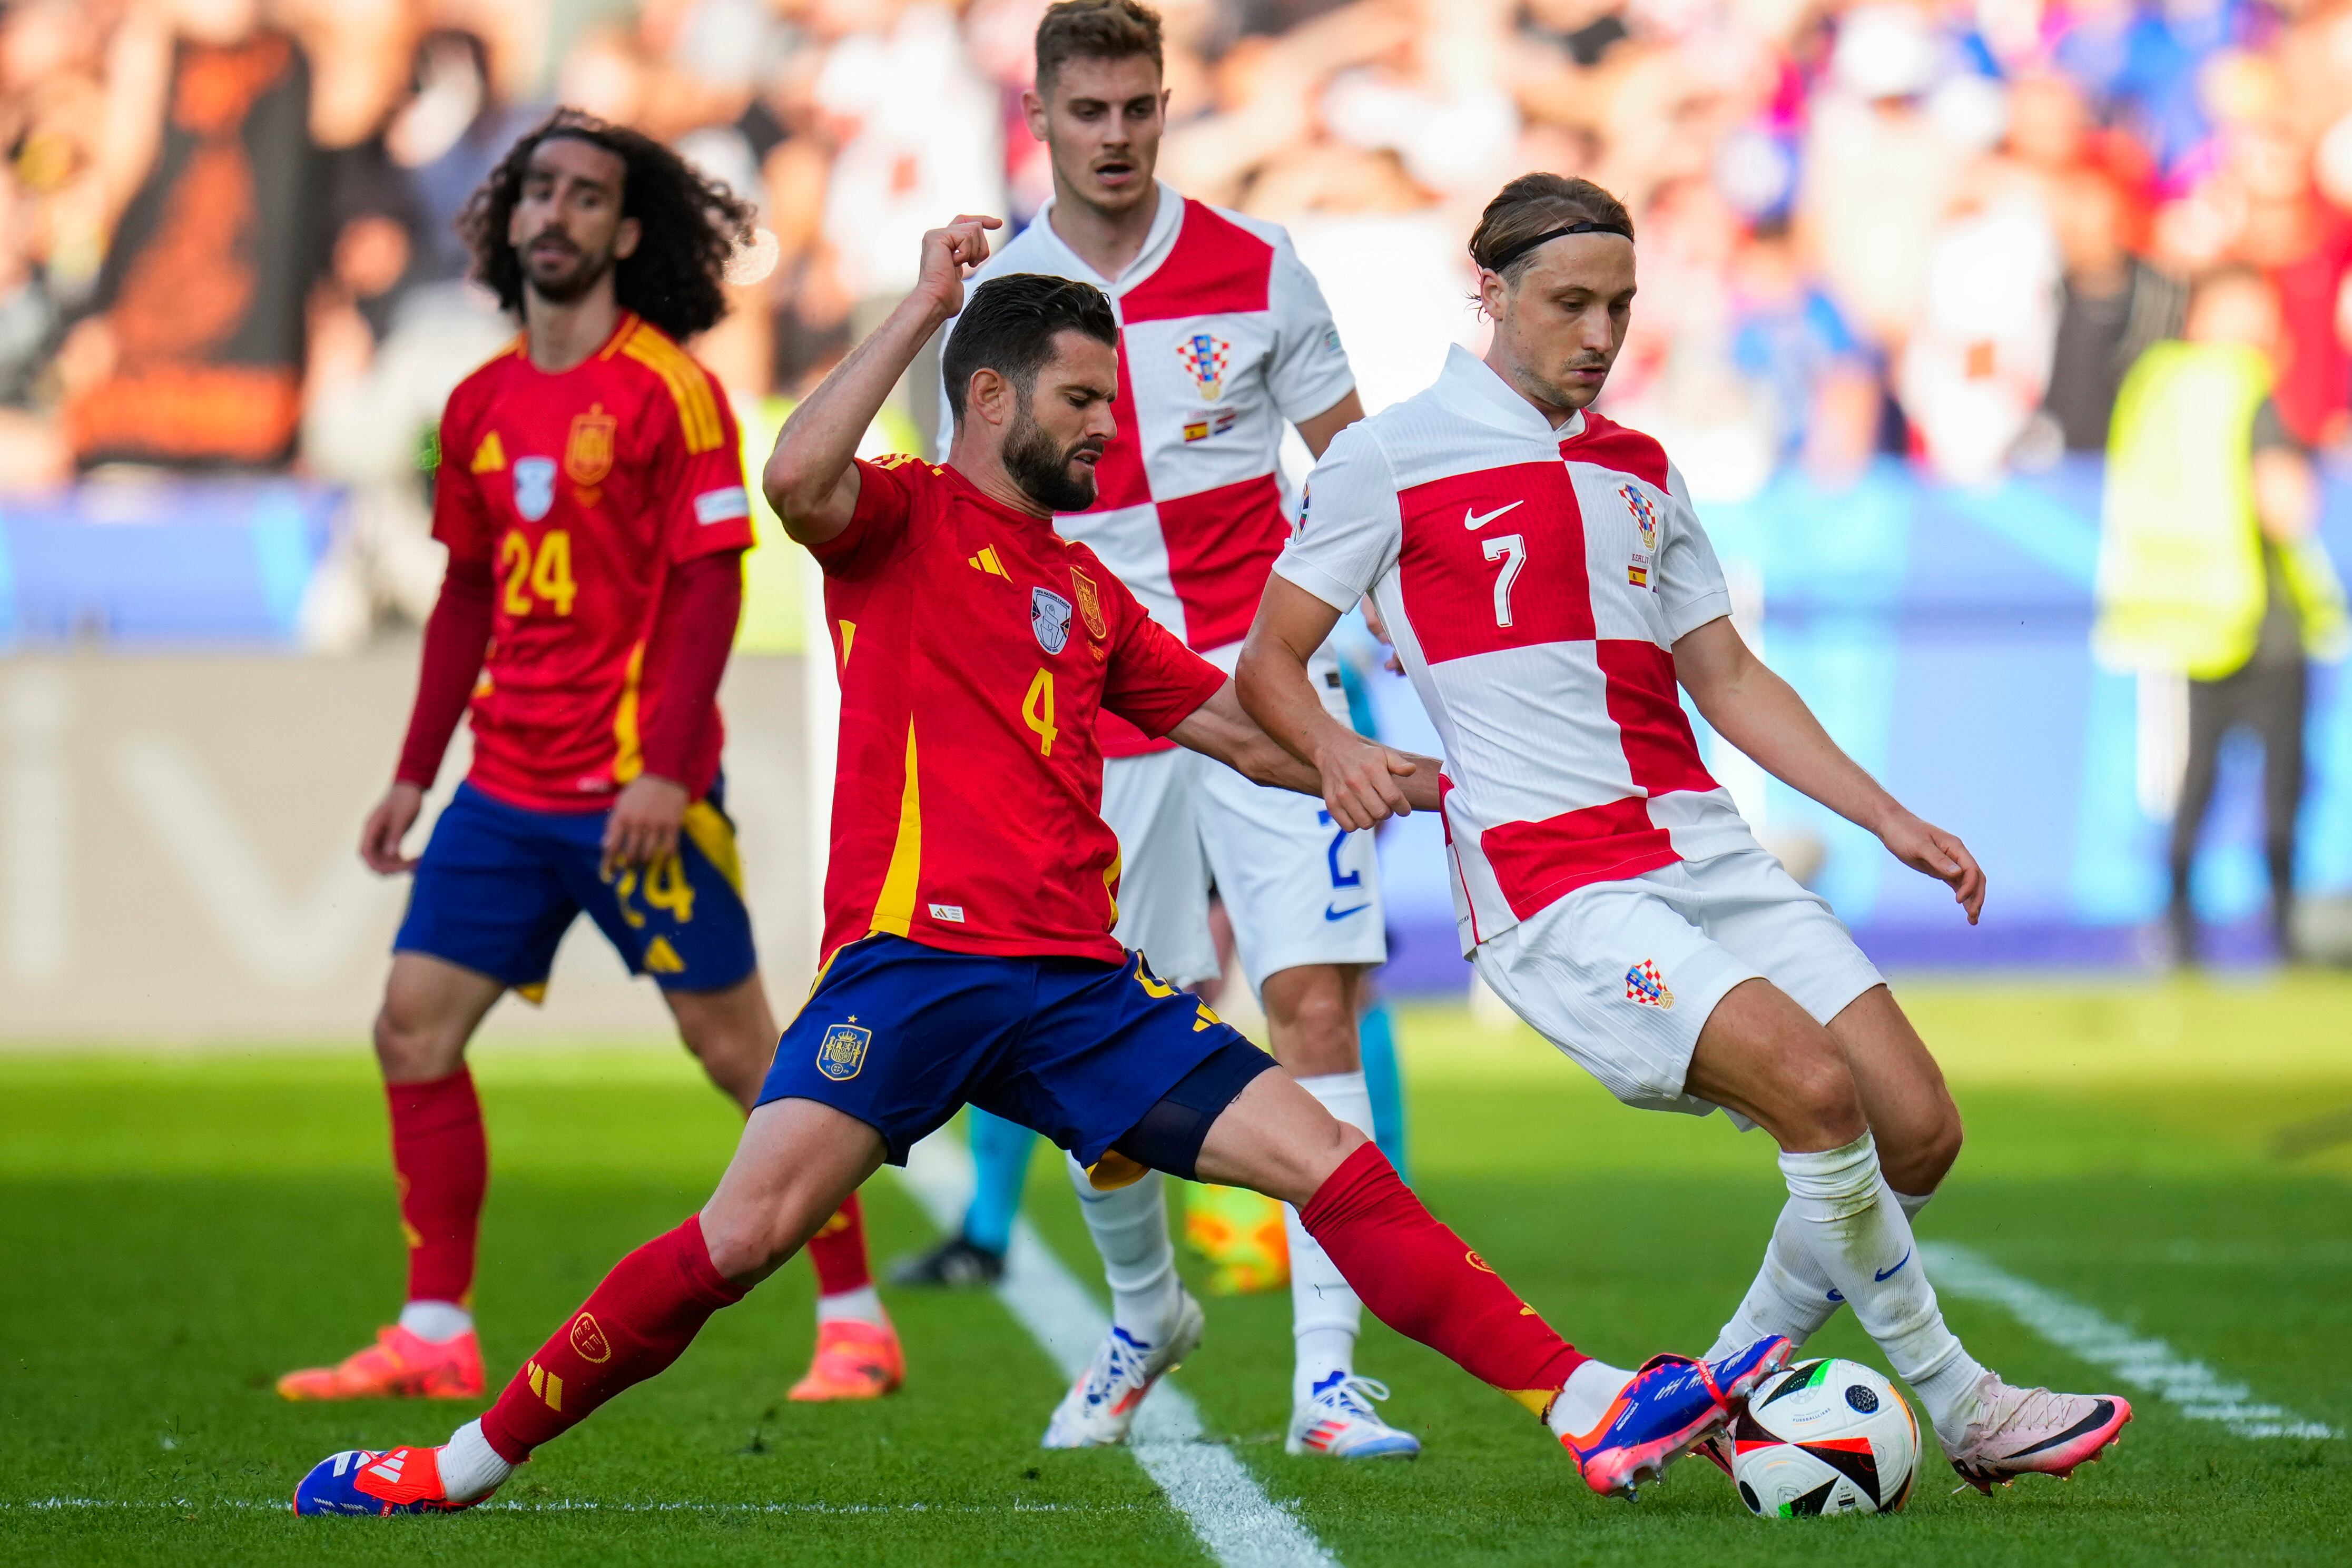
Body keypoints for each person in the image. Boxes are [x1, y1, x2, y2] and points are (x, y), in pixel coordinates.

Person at [289, 216, 1795, 1517]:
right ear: (990, 393)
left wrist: (1362, 768)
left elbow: (1229, 723)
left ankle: (1589, 1401)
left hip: (1079, 989)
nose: (1105, 432)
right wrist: (922, 307)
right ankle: (460, 1467)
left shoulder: (1086, 590)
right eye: (1081, 401)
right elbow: (795, 478)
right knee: (742, 1236)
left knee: (1328, 1163)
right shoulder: (899, 519)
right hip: (912, 972)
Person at [1237, 171, 2136, 1496]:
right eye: (1568, 304)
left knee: (1918, 1128)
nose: (1598, 336)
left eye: (1618, 305)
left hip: (1703, 851)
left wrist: (1884, 814)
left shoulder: (1639, 467)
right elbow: (1269, 660)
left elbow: (1725, 679)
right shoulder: (1388, 456)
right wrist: (1337, 750)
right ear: (1486, 293)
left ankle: (1713, 1391)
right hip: (1556, 882)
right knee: (1815, 1097)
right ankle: (1965, 1402)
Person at [275, 110, 898, 1412]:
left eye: (583, 198)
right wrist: (412, 770)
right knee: (412, 1028)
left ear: (627, 232)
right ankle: (436, 1326)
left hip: (635, 796)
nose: (553, 215)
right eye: (536, 193)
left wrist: (666, 771)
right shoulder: (478, 402)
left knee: (741, 1057)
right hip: (503, 791)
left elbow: (708, 594)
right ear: (508, 220)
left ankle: (853, 1320)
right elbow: (463, 600)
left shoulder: (669, 390)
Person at [890, 0, 1412, 1462]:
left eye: (1137, 108)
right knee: (1104, 1062)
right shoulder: (1000, 292)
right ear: (1041, 119)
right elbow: (961, 522)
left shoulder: (1257, 268)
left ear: (1167, 107)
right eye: (1088, 111)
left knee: (1312, 1002)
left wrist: (1390, 646)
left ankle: (1325, 1381)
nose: (1115, 136)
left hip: (1262, 701)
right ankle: (1145, 1314)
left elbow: (1360, 471)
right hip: (1087, 722)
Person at [2095, 264, 2349, 962]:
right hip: (2256, 610)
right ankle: (2286, 931)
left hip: (2180, 611)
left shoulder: (2151, 386)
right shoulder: (2242, 386)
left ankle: (2176, 927)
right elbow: (2285, 505)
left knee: (2193, 780)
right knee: (2279, 783)